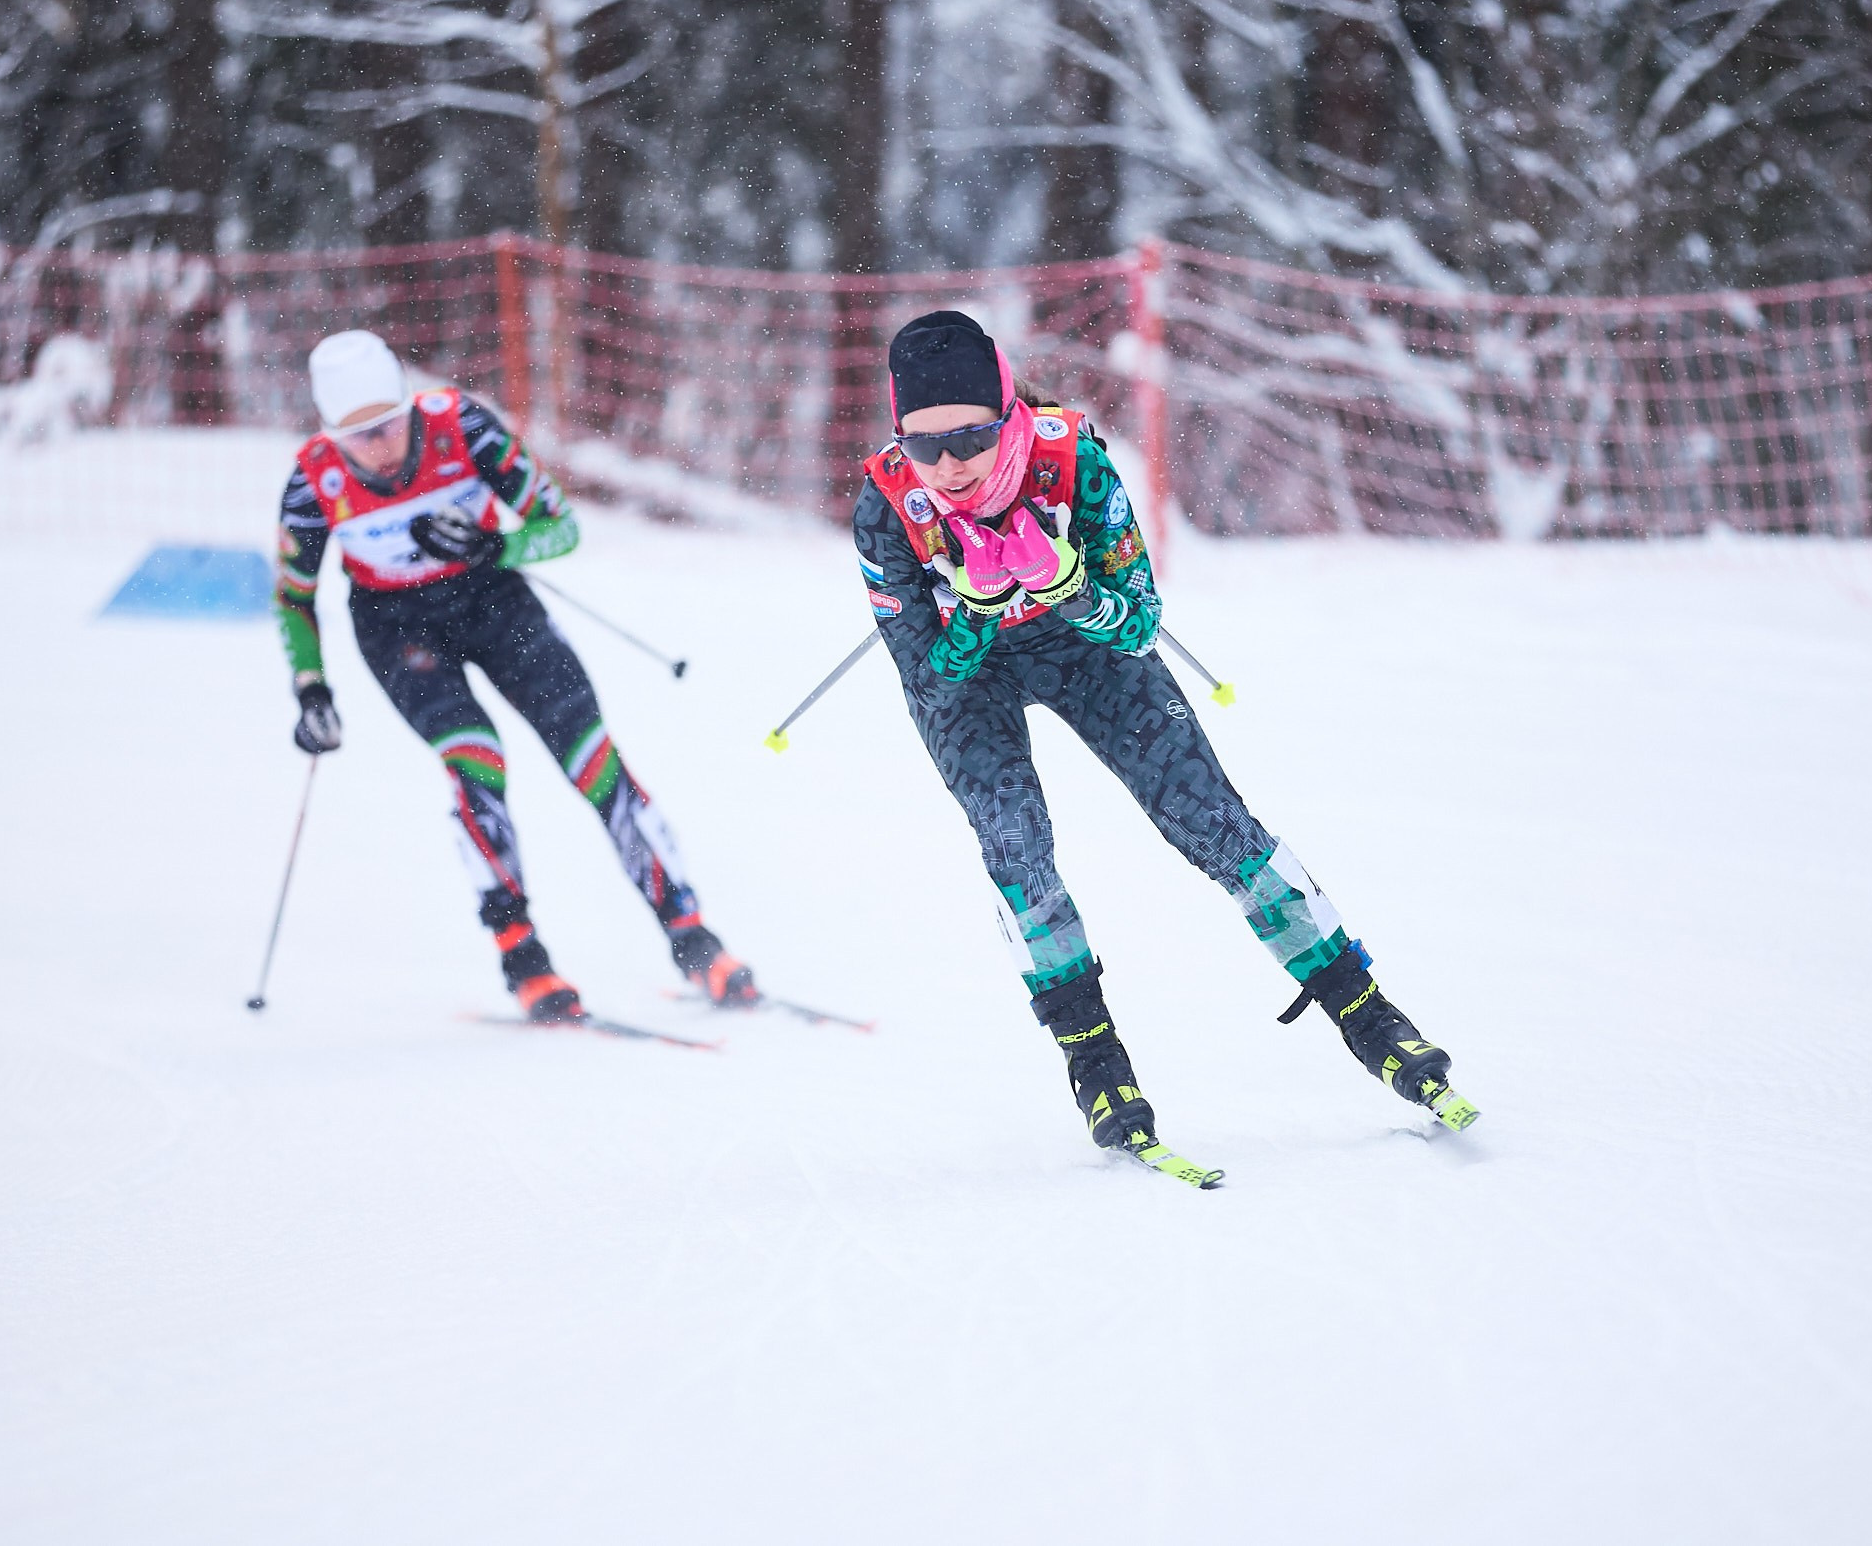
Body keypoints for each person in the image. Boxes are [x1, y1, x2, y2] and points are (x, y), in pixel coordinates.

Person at [852, 310, 1476, 1171]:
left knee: (1212, 823)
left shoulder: (1070, 461)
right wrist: (974, 611)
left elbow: (1139, 622)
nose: (951, 464)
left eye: (970, 435)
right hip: (975, 672)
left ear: (1005, 412)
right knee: (1015, 843)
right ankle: (1096, 1063)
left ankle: (1372, 1017)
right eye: (926, 446)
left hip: (1086, 645)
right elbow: (926, 677)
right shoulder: (889, 505)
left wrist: (1069, 588)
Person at [273, 329, 758, 1021]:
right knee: (477, 759)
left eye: (388, 424)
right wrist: (311, 689)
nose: (379, 446)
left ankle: (693, 936)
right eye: (358, 437)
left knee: (590, 755)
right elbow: (293, 597)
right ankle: (521, 952)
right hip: (396, 628)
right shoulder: (312, 481)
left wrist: (495, 542)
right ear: (330, 436)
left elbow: (561, 526)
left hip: (492, 599)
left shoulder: (461, 426)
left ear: (410, 406)